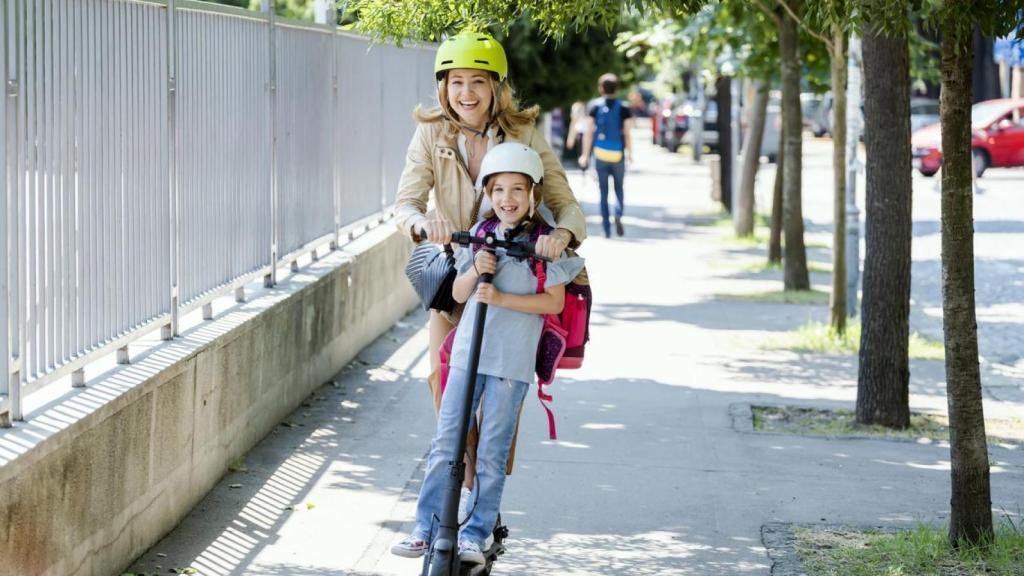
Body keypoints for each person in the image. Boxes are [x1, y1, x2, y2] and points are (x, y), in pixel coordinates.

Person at [394, 30, 587, 489]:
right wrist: (423, 225)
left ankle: (486, 496)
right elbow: (405, 203)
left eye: (478, 82)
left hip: (515, 276)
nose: (466, 93)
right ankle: (452, 499)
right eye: (456, 81)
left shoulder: (521, 133)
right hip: (459, 272)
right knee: (442, 378)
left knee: (501, 393)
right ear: (444, 86)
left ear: (496, 87)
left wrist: (561, 234)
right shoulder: (431, 134)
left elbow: (566, 203)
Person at [392, 143, 585, 564]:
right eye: (498, 190)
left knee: (493, 452)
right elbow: (458, 294)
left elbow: (552, 303)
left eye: (517, 189)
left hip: (511, 364)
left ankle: (474, 533)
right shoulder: (478, 236)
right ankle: (425, 527)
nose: (507, 199)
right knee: (447, 443)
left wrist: (499, 297)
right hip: (467, 356)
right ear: (487, 194)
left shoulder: (543, 244)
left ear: (532, 193)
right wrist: (477, 270)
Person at [579, 72, 634, 238]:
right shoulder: (624, 108)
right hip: (617, 154)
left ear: (601, 88)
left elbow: (588, 133)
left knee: (603, 193)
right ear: (616, 88)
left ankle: (606, 230)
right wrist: (630, 153)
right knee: (619, 189)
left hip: (600, 154)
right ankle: (618, 213)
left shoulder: (594, 107)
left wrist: (585, 155)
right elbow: (627, 133)